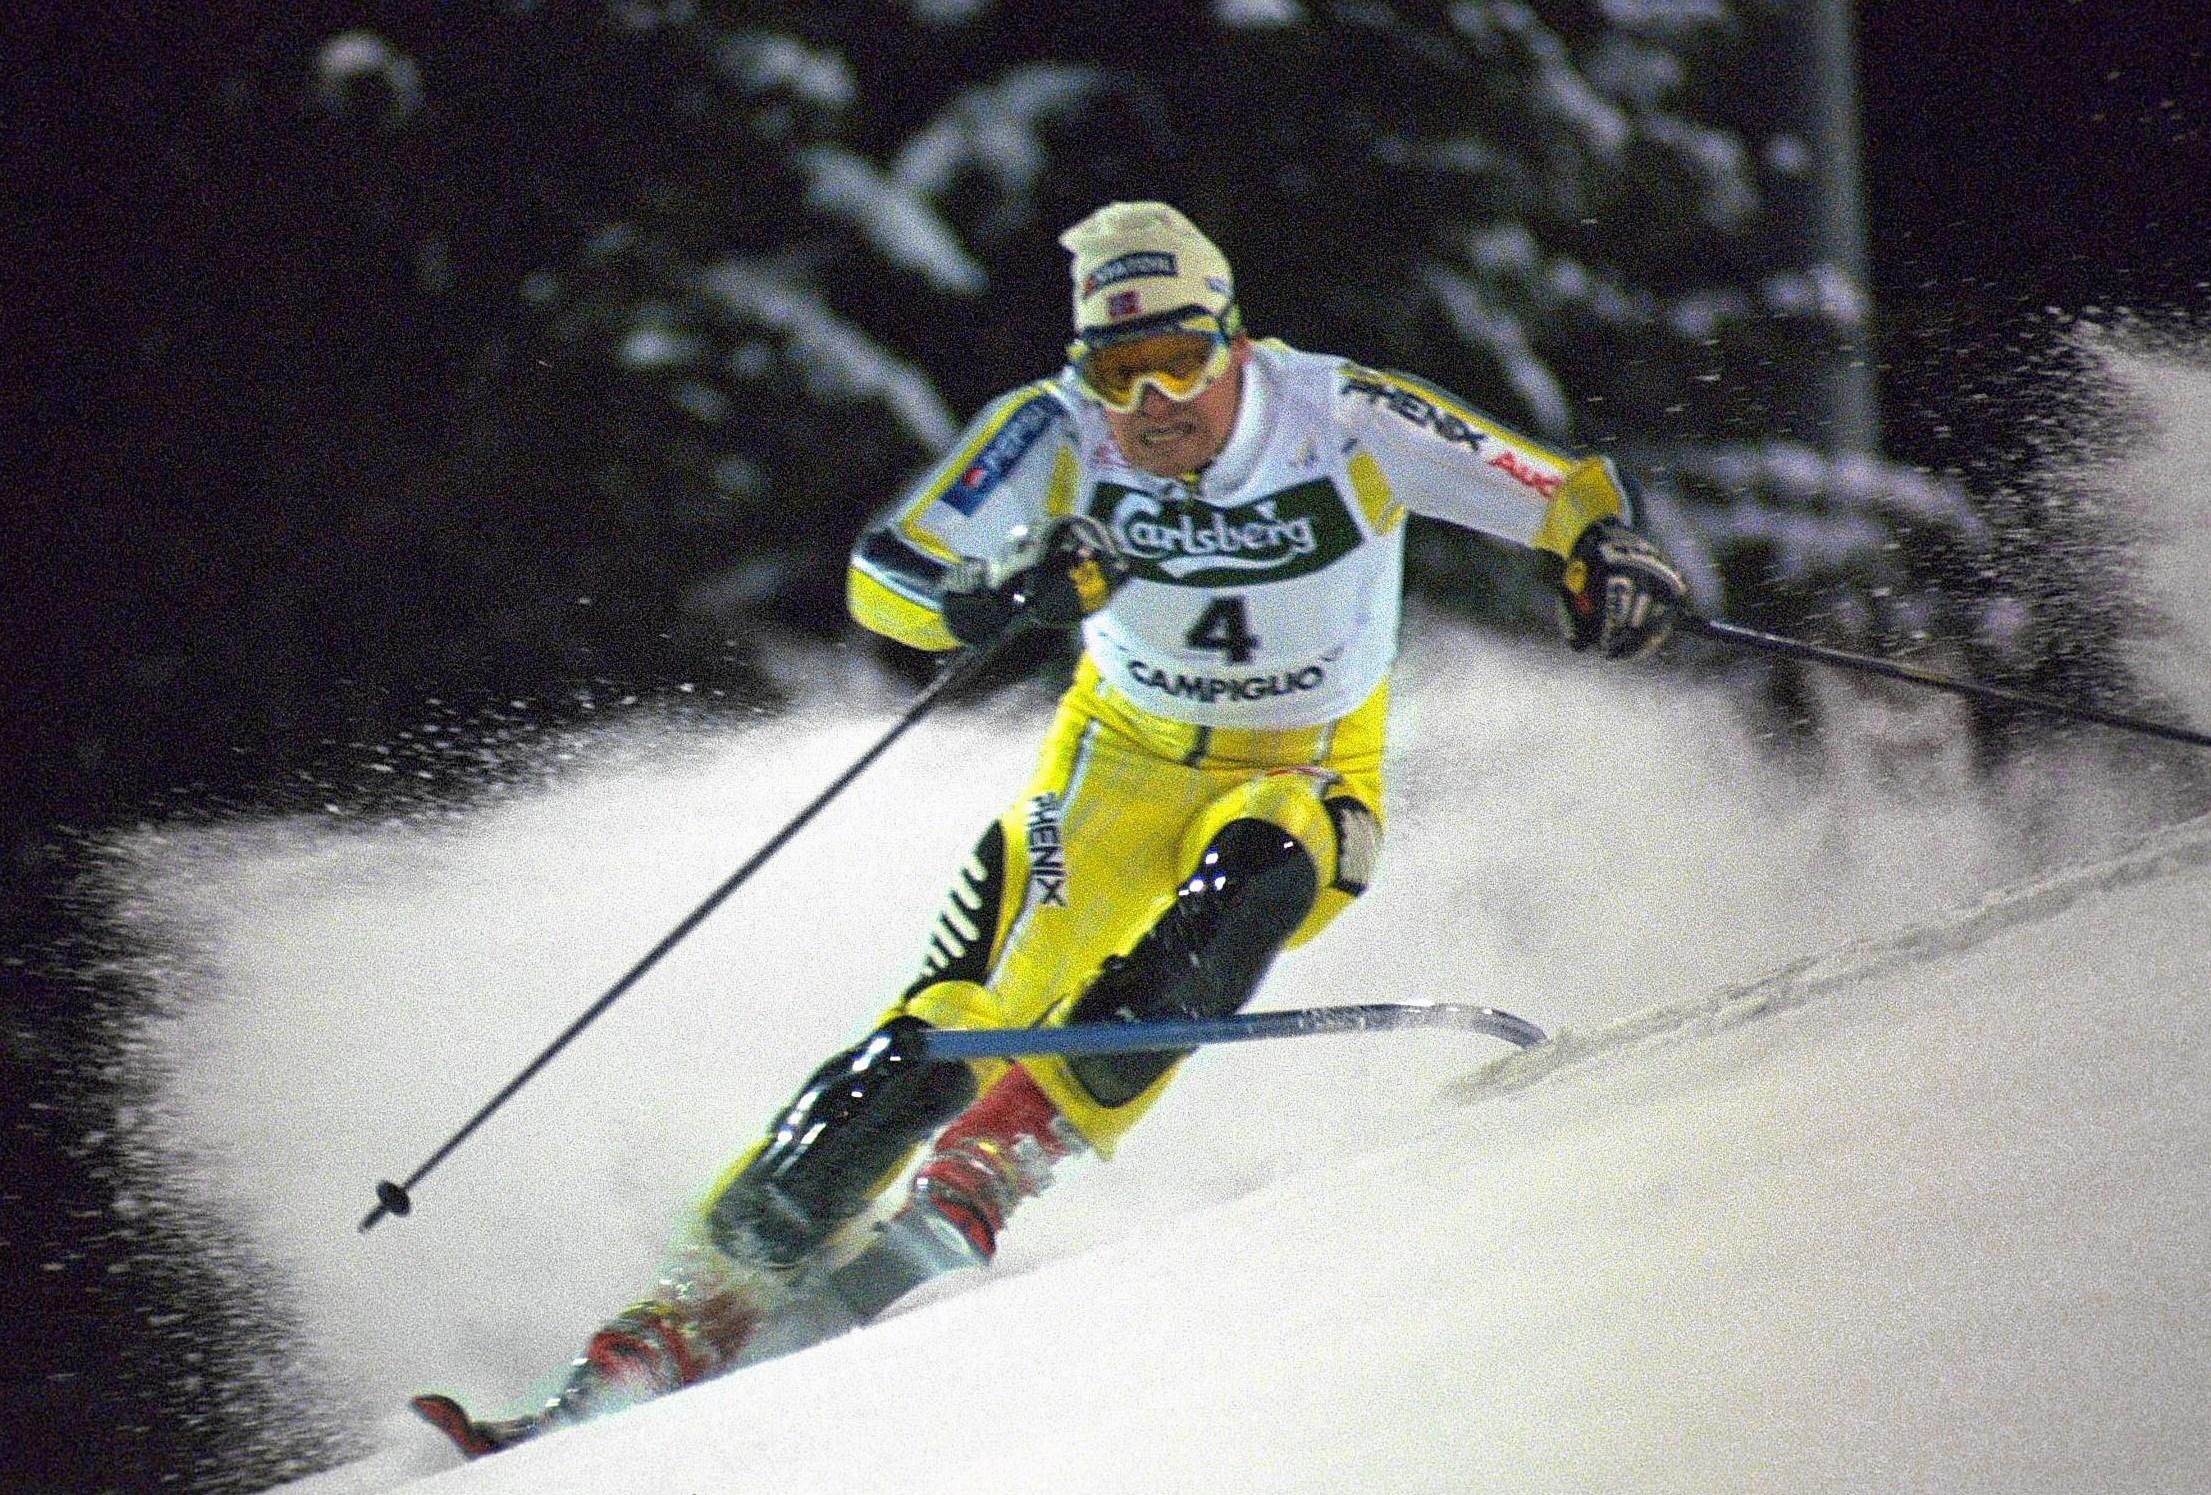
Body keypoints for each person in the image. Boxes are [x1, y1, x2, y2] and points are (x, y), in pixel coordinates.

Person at [413, 201, 1688, 1457]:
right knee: (943, 1031)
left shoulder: (1346, 418)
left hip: (1306, 764)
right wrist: (997, 594)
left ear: (1235, 341)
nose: (1153, 403)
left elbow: (1565, 488)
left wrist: (1606, 554)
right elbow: (887, 574)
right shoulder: (1055, 429)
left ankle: (1005, 1155)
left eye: (1178, 361)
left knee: (1259, 868)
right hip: (1115, 770)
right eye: (1120, 373)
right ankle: (687, 1310)